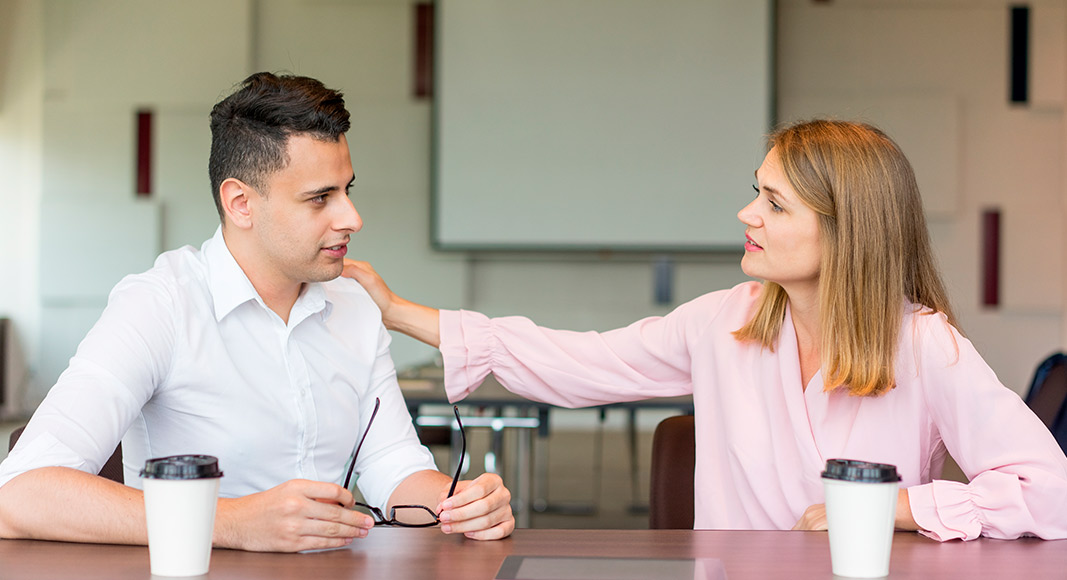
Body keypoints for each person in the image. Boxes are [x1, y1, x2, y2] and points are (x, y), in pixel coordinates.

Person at [344, 119, 1067, 541]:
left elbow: (1049, 492)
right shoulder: (724, 322)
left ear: (847, 232)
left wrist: (904, 506)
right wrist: (397, 310)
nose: (746, 214)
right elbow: (575, 363)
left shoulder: (924, 345)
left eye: (775, 205)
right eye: (755, 191)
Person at [0, 72, 514, 552]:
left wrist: (461, 504)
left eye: (347, 190)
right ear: (241, 203)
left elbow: (393, 466)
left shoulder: (353, 306)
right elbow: (20, 494)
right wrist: (233, 522)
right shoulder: (159, 305)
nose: (352, 217)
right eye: (320, 198)